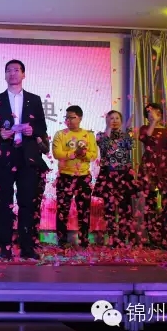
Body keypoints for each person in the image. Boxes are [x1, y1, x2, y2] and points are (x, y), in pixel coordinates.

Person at [0, 59, 47, 260]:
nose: (12, 73)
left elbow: (42, 127)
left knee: (26, 202)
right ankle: (5, 247)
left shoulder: (34, 100)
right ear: (5, 75)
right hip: (5, 156)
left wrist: (32, 130)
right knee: (4, 203)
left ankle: (27, 247)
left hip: (27, 156)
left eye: (16, 70)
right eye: (9, 70)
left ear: (23, 74)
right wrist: (0, 133)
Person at [138, 102, 167, 248]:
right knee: (150, 203)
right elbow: (146, 139)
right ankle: (153, 238)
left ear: (161, 113)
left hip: (166, 169)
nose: (153, 114)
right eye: (150, 112)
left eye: (156, 111)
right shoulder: (144, 128)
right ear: (146, 115)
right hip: (150, 167)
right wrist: (153, 123)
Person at [52, 105, 98, 248]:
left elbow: (93, 155)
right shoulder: (60, 134)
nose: (69, 120)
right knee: (62, 210)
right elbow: (57, 154)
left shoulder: (88, 135)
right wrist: (73, 154)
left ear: (80, 118)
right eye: (66, 118)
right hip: (65, 176)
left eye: (72, 117)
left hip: (83, 177)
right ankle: (62, 241)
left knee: (84, 210)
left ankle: (84, 240)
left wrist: (83, 154)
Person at [94, 110, 135, 247]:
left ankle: (123, 238)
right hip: (108, 175)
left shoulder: (125, 135)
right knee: (109, 208)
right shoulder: (101, 135)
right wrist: (108, 128)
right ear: (106, 120)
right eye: (111, 118)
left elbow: (131, 146)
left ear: (121, 121)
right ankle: (111, 237)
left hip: (124, 175)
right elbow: (104, 146)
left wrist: (128, 130)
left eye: (117, 118)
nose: (115, 121)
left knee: (125, 208)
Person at [32, 135, 51, 247]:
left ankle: (35, 237)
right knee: (24, 205)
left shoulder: (41, 132)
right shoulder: (20, 130)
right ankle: (23, 236)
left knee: (36, 205)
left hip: (39, 170)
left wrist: (39, 140)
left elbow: (46, 150)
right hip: (24, 171)